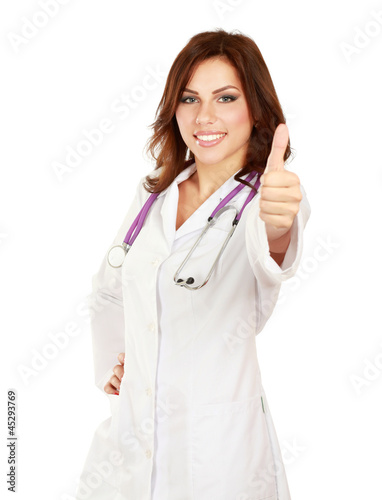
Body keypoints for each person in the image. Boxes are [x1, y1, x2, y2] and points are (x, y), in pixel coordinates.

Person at [76, 29, 311, 500]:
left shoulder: (268, 199)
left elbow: (275, 254)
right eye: (189, 98)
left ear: (257, 110)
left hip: (218, 460)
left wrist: (281, 222)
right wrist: (118, 365)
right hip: (127, 450)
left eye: (226, 98)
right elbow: (109, 289)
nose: (204, 116)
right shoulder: (153, 195)